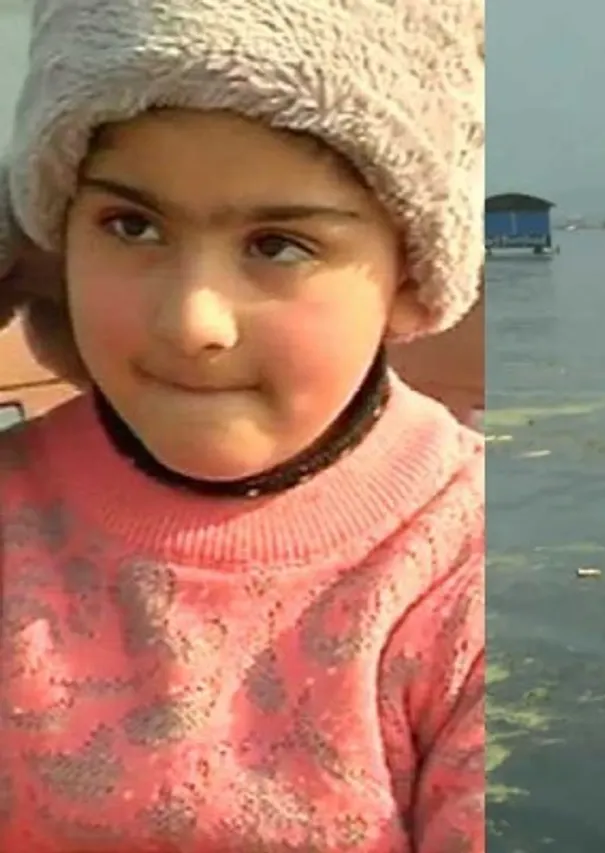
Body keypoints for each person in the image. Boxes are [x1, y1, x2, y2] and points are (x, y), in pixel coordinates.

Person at [0, 0, 484, 850]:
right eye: (131, 226)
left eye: (279, 245)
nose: (194, 321)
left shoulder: (462, 571)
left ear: (412, 270)